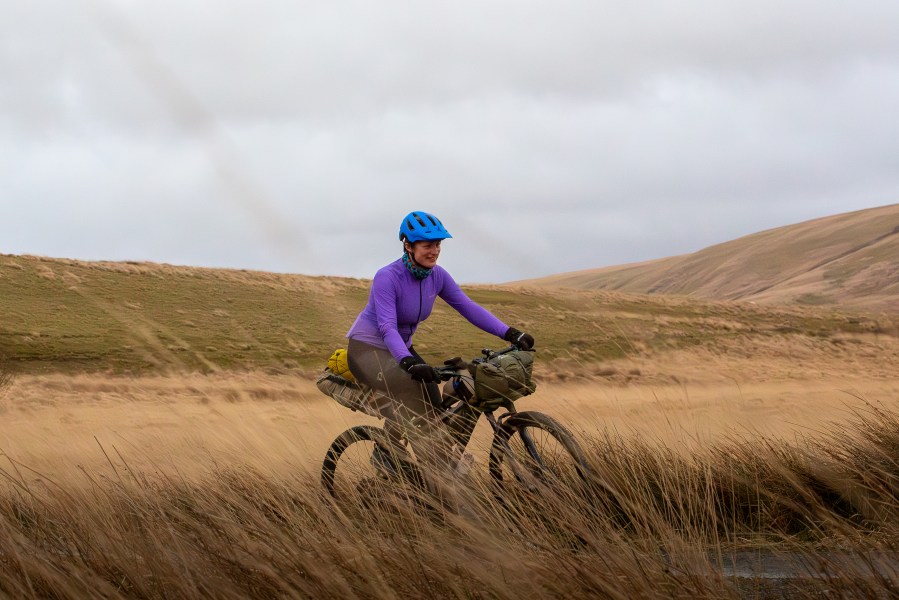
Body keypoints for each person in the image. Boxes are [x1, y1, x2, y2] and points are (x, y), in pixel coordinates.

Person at [346, 210, 534, 473]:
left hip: (401, 350)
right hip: (367, 352)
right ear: (408, 245)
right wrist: (409, 363)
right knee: (413, 394)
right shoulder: (387, 277)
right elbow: (387, 327)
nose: (434, 251)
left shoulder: (438, 276)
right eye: (427, 245)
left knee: (433, 406)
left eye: (438, 244)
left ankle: (413, 459)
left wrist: (510, 333)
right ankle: (411, 466)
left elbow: (468, 308)